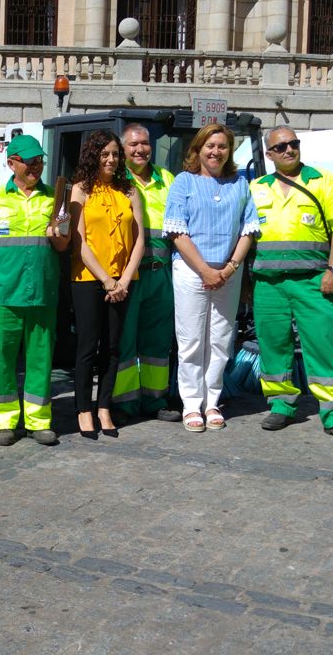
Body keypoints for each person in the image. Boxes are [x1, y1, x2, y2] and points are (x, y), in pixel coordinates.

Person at [250, 125, 333, 442]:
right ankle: (281, 405)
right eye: (280, 147)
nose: (288, 150)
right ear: (269, 154)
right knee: (273, 347)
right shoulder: (257, 187)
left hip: (313, 281)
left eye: (293, 144)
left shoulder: (323, 181)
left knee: (324, 345)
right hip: (269, 283)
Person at [162, 124, 257, 432]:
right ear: (199, 149)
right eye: (210, 145)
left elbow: (248, 230)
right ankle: (191, 403)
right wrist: (205, 270)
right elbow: (177, 231)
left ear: (229, 151)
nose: (215, 151)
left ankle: (212, 401)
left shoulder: (240, 184)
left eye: (222, 146)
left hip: (228, 271)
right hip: (192, 272)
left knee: (220, 339)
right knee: (190, 340)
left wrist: (229, 268)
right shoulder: (183, 182)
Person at [0, 134, 71, 446]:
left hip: (42, 293)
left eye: (39, 161)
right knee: (2, 359)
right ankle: (4, 421)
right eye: (29, 161)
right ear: (11, 164)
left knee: (40, 358)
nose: (36, 166)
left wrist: (56, 233)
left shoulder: (55, 199)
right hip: (4, 294)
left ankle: (38, 420)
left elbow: (63, 244)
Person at [69, 130, 144, 438]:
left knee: (113, 348)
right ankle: (84, 409)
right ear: (93, 157)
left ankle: (104, 407)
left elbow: (140, 238)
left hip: (124, 280)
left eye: (115, 154)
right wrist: (107, 280)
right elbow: (79, 242)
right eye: (105, 154)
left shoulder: (129, 190)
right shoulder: (81, 190)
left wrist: (124, 279)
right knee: (88, 347)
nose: (111, 159)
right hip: (89, 279)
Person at [114, 124, 184, 424]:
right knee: (125, 339)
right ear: (123, 149)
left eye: (145, 143)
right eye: (133, 145)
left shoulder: (167, 179)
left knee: (158, 341)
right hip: (128, 274)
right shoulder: (115, 180)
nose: (140, 149)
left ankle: (156, 400)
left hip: (161, 272)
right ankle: (124, 403)